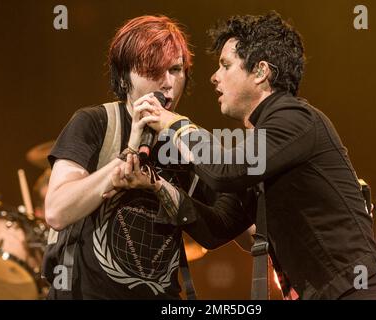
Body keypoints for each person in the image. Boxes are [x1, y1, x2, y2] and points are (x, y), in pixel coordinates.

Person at [143, 11, 376, 300]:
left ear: (261, 72)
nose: (214, 77)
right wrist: (160, 187)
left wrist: (175, 123)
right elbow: (219, 227)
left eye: (225, 65)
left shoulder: (295, 119)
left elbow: (225, 170)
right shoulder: (264, 142)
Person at [44, 15, 252, 299]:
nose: (168, 83)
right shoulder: (95, 122)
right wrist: (125, 158)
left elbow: (243, 233)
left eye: (177, 69)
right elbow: (57, 211)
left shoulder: (187, 143)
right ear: (124, 76)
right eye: (154, 70)